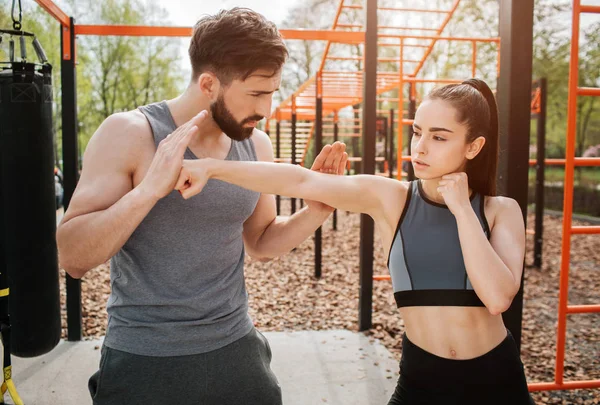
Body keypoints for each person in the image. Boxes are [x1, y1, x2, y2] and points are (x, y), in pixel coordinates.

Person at [177, 79, 536, 405]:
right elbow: (298, 181)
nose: (421, 147)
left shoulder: (501, 211)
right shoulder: (390, 198)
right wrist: (211, 168)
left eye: (439, 137)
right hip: (421, 383)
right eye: (417, 132)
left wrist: (462, 209)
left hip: (495, 383)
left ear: (473, 146)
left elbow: (497, 297)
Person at [56, 8, 347, 405]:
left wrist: (315, 210)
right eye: (257, 93)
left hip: (236, 344)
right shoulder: (130, 133)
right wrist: (147, 192)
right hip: (146, 353)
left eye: (272, 92)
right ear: (209, 84)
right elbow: (72, 256)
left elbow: (261, 242)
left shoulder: (255, 144)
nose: (268, 108)